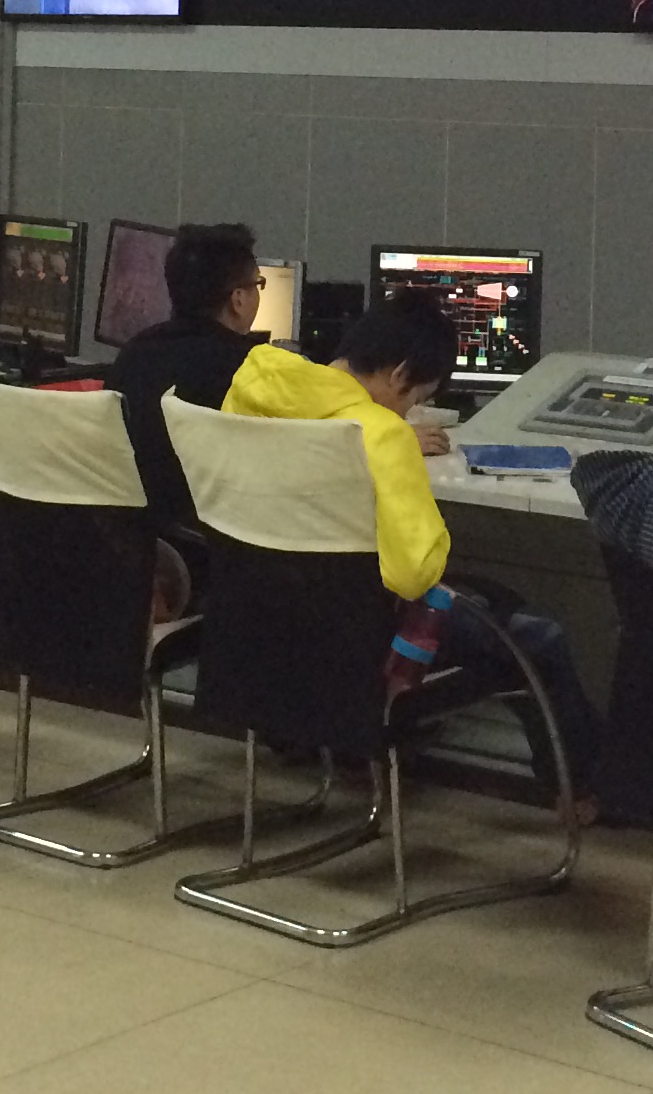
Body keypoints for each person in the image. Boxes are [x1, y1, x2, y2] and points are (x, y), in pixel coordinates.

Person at [224, 296, 603, 790]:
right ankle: (583, 792)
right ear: (400, 375)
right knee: (537, 638)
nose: (409, 411)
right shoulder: (382, 434)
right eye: (414, 397)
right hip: (355, 644)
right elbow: (413, 574)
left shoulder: (253, 382)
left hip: (258, 625)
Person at [107, 222, 274, 538]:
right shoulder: (250, 368)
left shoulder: (134, 353)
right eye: (258, 284)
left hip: (141, 544)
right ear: (238, 299)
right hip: (217, 548)